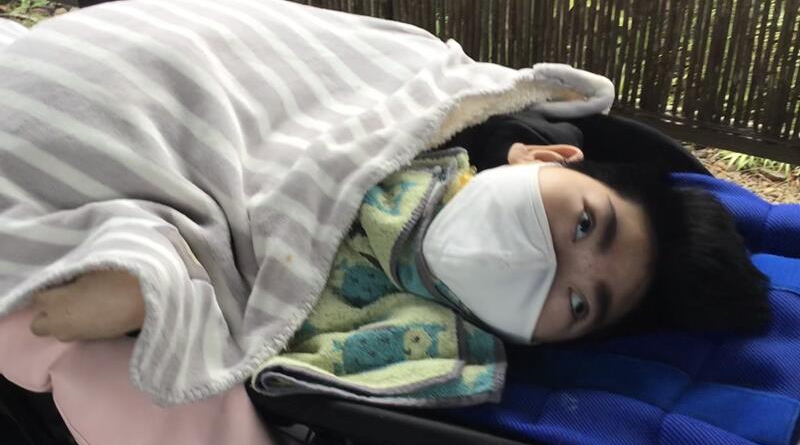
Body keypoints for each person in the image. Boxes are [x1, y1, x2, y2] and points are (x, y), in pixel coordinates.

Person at [24, 122, 771, 346]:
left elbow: (246, 313)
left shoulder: (408, 333)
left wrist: (155, 294)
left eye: (579, 304)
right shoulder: (430, 125)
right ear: (545, 158)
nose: (545, 263)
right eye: (583, 224)